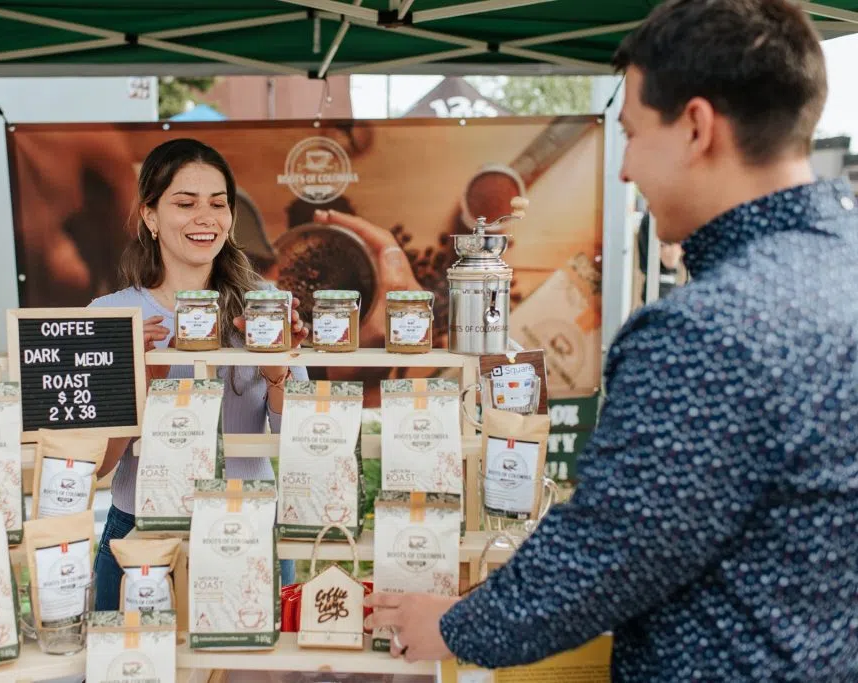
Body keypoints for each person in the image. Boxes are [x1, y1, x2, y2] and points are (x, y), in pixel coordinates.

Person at [366, 1, 858, 681]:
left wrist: (448, 624)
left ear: (695, 127)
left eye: (630, 133)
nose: (624, 169)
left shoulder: (707, 330)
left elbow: (600, 557)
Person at [89, 139, 309, 610]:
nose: (205, 217)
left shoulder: (266, 307)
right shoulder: (112, 315)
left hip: (249, 524)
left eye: (218, 203)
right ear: (150, 215)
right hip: (141, 534)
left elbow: (303, 445)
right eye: (185, 203)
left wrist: (275, 374)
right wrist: (138, 385)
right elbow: (96, 468)